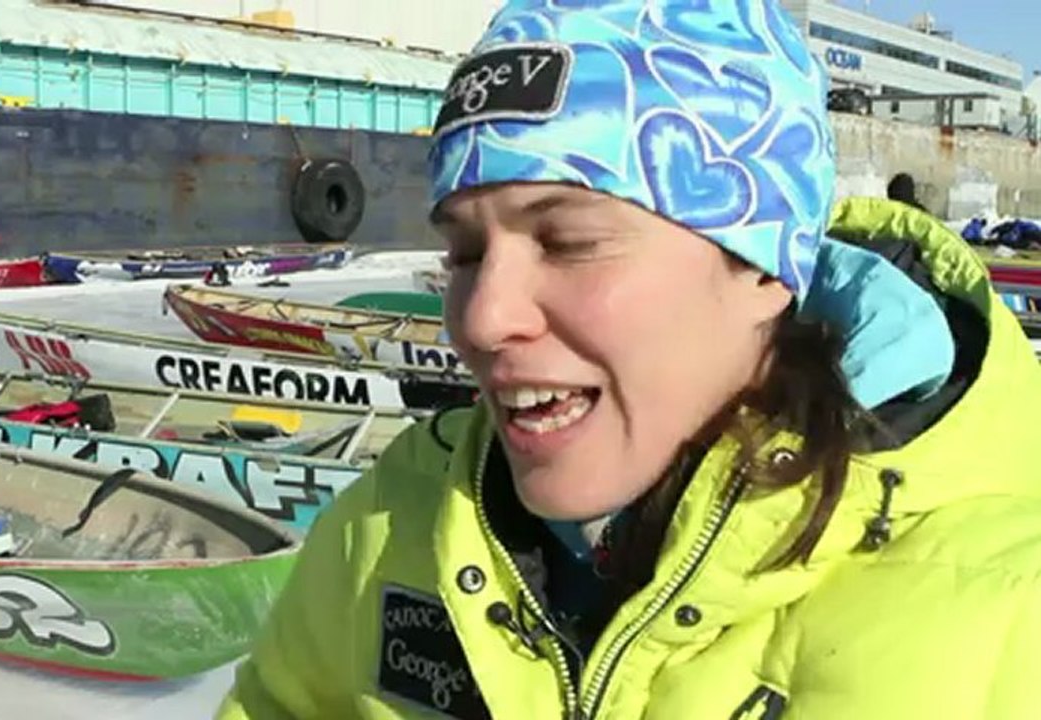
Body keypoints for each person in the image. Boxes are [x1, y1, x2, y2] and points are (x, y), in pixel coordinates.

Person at [217, 2, 1041, 718]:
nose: (482, 318)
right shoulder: (393, 521)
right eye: (464, 254)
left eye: (568, 242)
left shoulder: (1008, 617)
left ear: (762, 268)